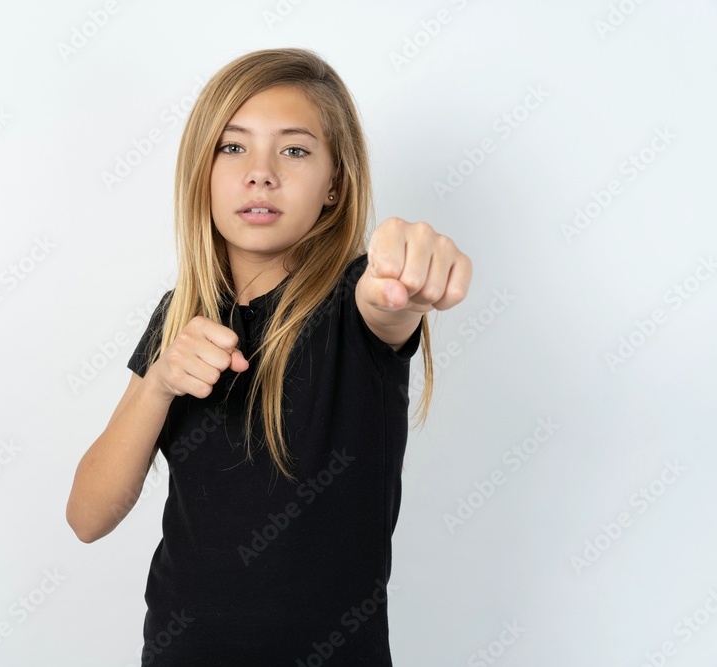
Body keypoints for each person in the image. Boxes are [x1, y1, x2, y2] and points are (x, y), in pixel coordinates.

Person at [67, 47, 472, 666]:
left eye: (295, 149)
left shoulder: (354, 300)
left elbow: (388, 303)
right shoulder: (181, 314)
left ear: (336, 182)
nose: (261, 173)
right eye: (233, 147)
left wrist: (405, 272)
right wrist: (158, 385)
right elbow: (87, 517)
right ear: (202, 171)